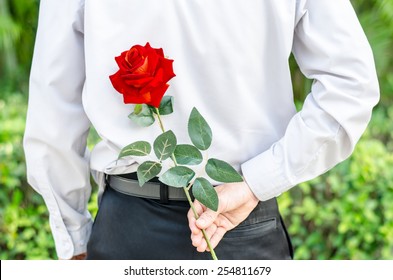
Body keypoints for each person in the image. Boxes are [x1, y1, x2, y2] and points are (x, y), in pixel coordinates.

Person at [24, 0, 379, 260]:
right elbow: (351, 86)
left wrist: (74, 240)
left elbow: (52, 115)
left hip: (129, 227)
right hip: (246, 225)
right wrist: (260, 180)